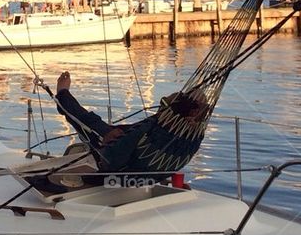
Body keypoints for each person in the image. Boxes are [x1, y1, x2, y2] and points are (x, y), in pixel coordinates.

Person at [53, 71, 207, 173]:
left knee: (90, 124)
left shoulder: (152, 128)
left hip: (120, 164)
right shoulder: (193, 136)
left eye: (164, 106)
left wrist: (107, 147)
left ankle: (63, 95)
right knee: (97, 125)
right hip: (150, 168)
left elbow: (112, 157)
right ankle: (64, 96)